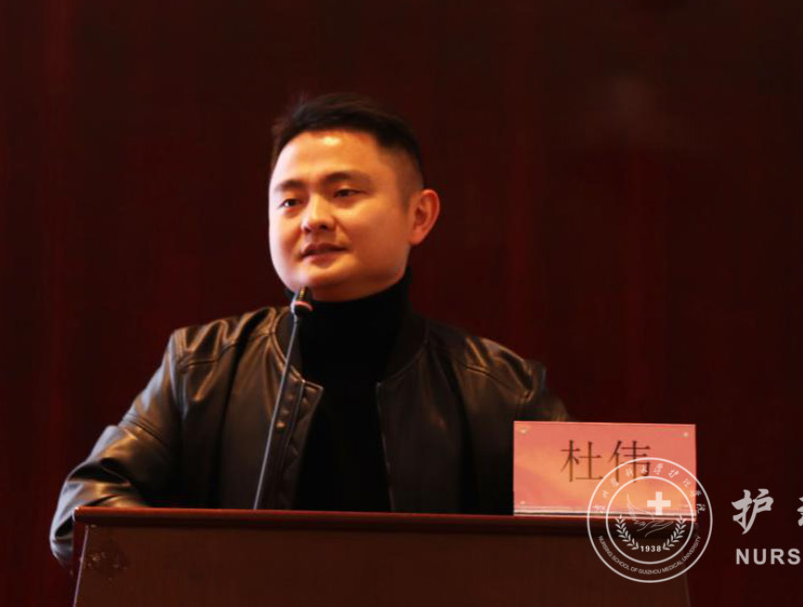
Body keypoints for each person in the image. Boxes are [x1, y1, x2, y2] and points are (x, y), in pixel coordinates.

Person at [49, 93, 569, 567]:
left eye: (343, 192)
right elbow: (83, 509)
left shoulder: (502, 389)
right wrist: (208, 575)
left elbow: (587, 543)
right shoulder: (201, 365)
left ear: (419, 215)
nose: (312, 219)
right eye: (290, 201)